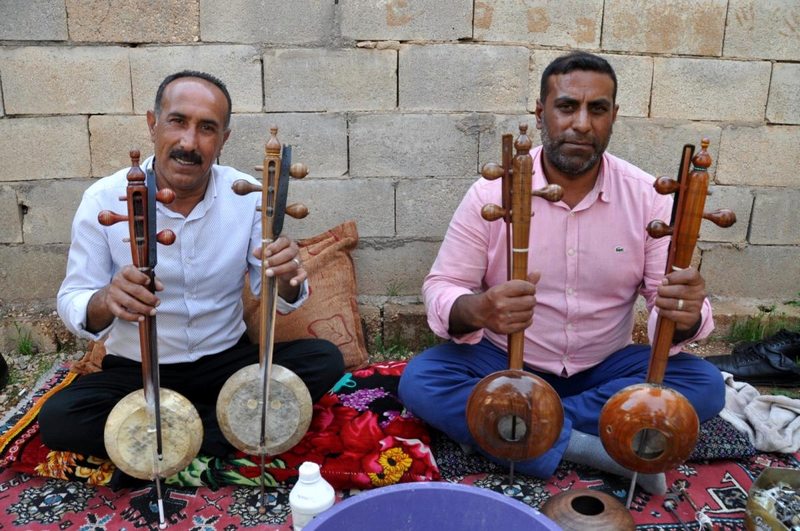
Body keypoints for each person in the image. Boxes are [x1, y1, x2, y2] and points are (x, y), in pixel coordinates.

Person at [398, 51, 725, 495]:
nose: (582, 124)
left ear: (613, 117)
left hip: (602, 366)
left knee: (704, 384)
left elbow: (666, 307)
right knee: (421, 379)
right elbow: (442, 287)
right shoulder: (492, 193)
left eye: (598, 109)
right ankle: (593, 446)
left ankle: (513, 427)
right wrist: (481, 309)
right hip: (505, 361)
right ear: (541, 113)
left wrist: (684, 313)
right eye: (567, 106)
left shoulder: (648, 198)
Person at [41, 71, 345, 465]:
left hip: (226, 365)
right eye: (177, 122)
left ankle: (167, 439)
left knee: (324, 360)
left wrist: (287, 278)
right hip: (139, 372)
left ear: (223, 140)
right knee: (58, 419)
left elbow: (278, 297)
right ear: (153, 125)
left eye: (207, 128)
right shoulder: (104, 199)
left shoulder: (247, 195)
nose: (189, 142)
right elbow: (73, 298)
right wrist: (106, 299)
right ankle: (230, 430)